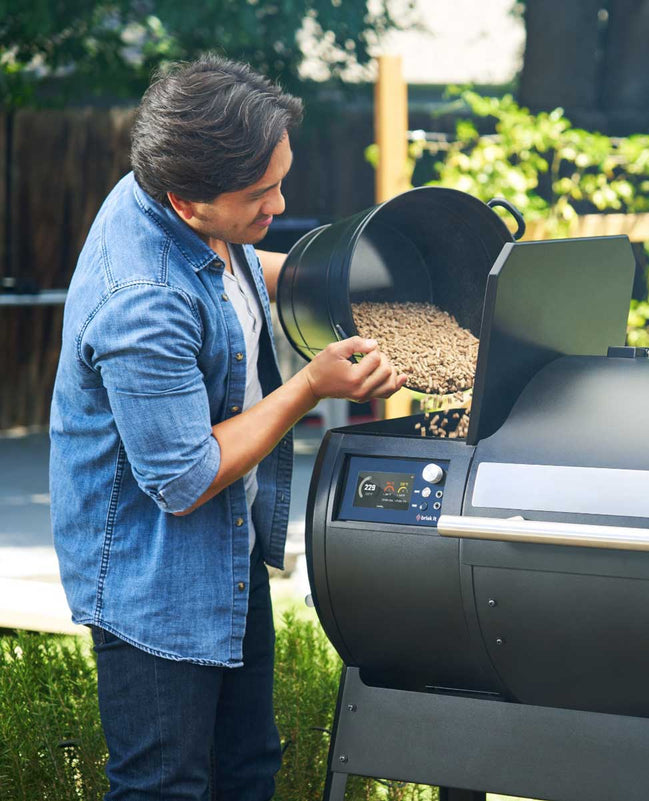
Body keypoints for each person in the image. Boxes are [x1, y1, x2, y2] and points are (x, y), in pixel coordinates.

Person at [49, 55, 404, 800]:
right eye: (259, 193)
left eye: (280, 177)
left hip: (224, 552)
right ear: (187, 202)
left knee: (248, 769)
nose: (279, 202)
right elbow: (181, 479)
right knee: (164, 785)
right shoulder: (142, 302)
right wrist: (311, 384)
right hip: (154, 576)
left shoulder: (179, 179)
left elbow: (236, 262)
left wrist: (356, 285)